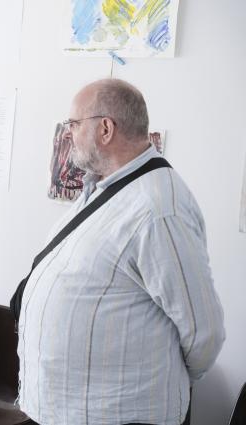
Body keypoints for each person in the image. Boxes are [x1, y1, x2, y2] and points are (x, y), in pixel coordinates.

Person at [17, 79, 225, 425]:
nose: (68, 133)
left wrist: (159, 378)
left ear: (105, 129)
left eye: (73, 124)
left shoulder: (158, 208)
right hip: (71, 411)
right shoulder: (103, 188)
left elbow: (205, 333)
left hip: (120, 414)